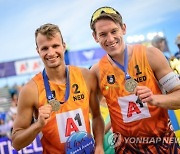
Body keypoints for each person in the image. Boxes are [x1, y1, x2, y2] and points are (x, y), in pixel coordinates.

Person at [90, 6, 180, 153]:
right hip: (126, 149)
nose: (110, 39)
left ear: (123, 29)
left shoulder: (151, 55)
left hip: (164, 145)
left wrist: (156, 99)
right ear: (95, 37)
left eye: (114, 31)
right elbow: (96, 115)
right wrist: (99, 144)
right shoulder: (96, 71)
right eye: (103, 34)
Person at [12, 23, 104, 154]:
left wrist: (99, 146)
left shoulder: (85, 76)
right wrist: (38, 125)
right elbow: (16, 143)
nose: (51, 53)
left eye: (55, 46)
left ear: (64, 46)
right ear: (38, 51)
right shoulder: (30, 90)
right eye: (44, 48)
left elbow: (96, 116)